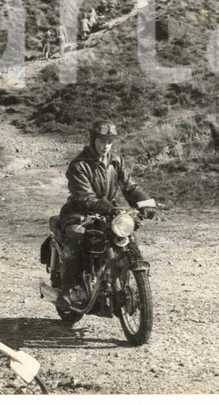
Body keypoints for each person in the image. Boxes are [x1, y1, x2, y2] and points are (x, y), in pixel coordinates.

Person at [57, 121, 157, 305]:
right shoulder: (78, 165)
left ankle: (126, 277)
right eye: (102, 141)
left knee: (127, 237)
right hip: (80, 211)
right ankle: (68, 288)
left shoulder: (115, 160)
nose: (106, 146)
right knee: (77, 235)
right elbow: (86, 197)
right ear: (93, 140)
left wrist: (145, 203)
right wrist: (110, 209)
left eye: (110, 142)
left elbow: (130, 186)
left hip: (107, 210)